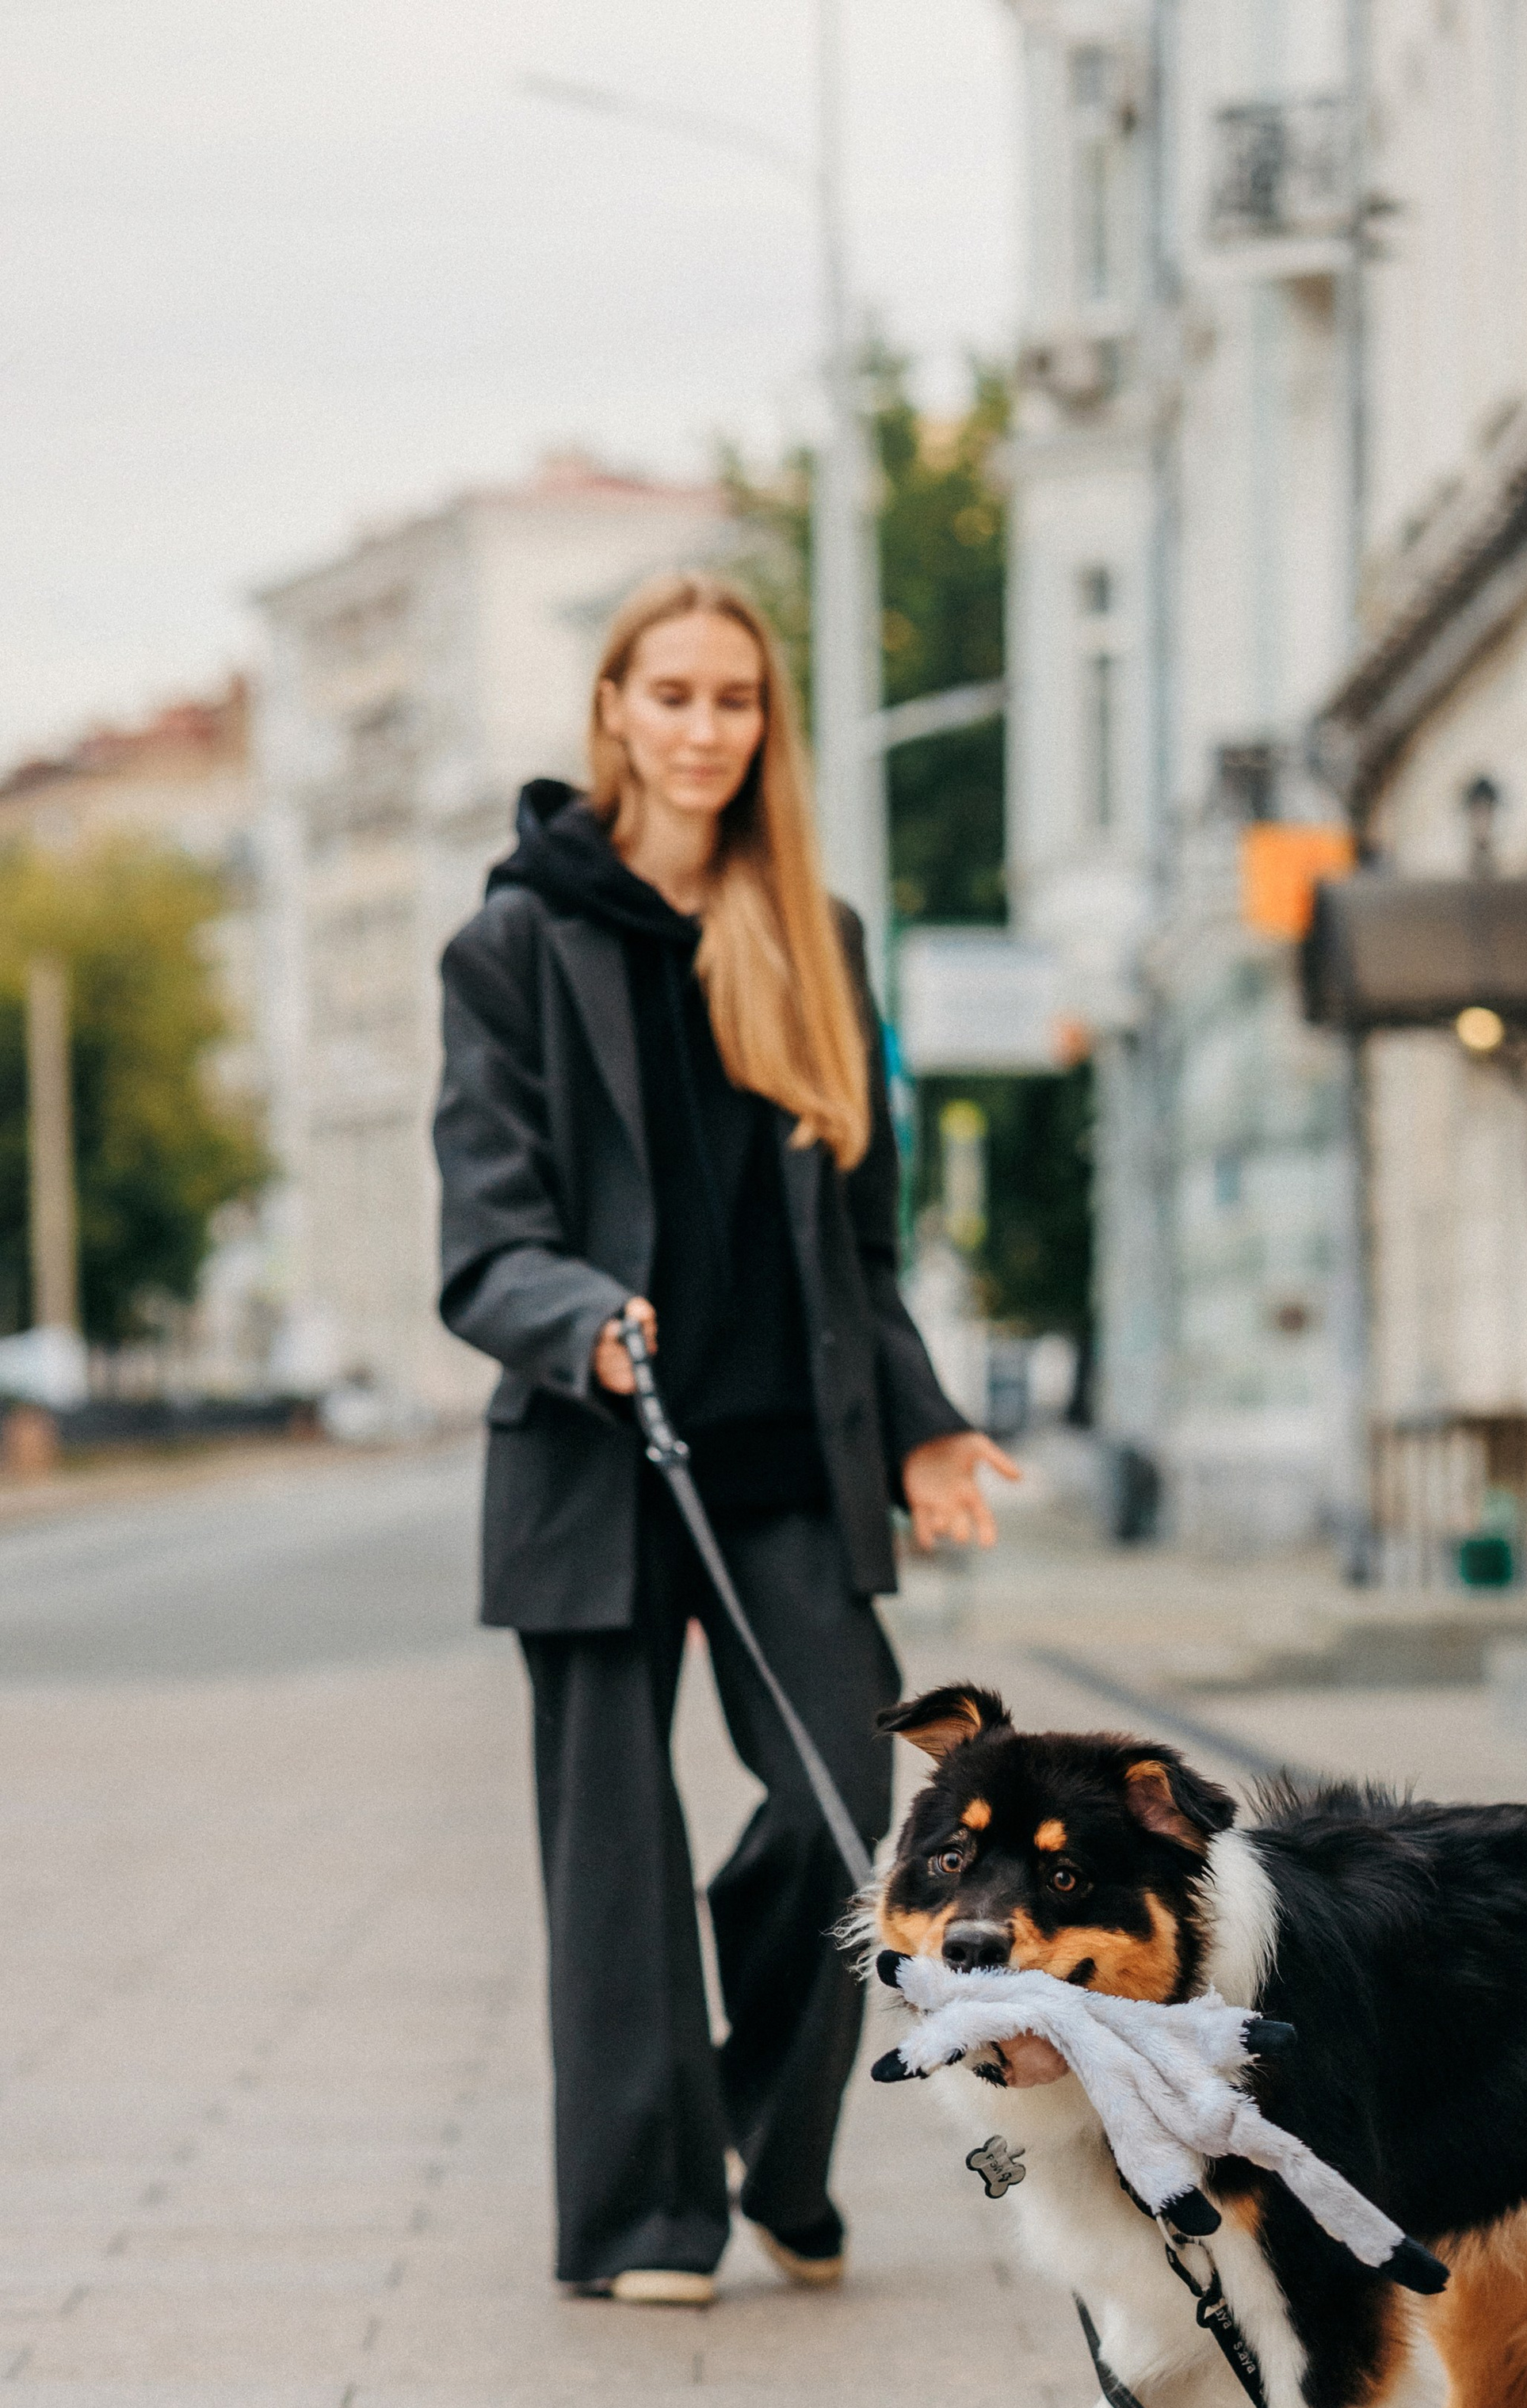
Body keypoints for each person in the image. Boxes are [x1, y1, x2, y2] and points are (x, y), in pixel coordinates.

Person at [433, 573, 1016, 2307]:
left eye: (734, 701)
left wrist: (921, 1429)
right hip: (592, 1451)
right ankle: (642, 2218)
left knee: (851, 1815)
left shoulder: (811, 936)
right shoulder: (515, 942)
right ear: (610, 708)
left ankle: (769, 2132)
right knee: (611, 1858)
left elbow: (859, 1246)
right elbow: (481, 1236)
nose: (702, 729)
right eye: (670, 694)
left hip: (782, 1461)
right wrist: (582, 1324)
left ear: (767, 728)